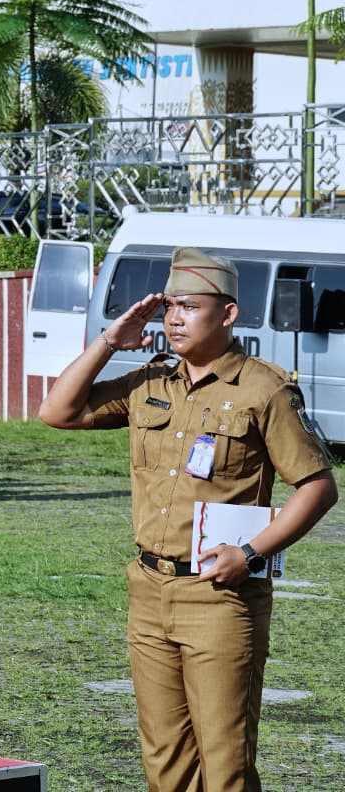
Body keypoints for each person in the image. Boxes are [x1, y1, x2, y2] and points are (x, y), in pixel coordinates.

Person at [38, 246, 337, 792]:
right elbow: (56, 411)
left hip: (220, 597)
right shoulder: (150, 383)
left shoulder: (263, 389)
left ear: (227, 314)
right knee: (165, 761)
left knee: (225, 764)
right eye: (170, 306)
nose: (175, 318)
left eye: (191, 306)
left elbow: (318, 487)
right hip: (149, 590)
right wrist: (110, 341)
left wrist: (251, 553)